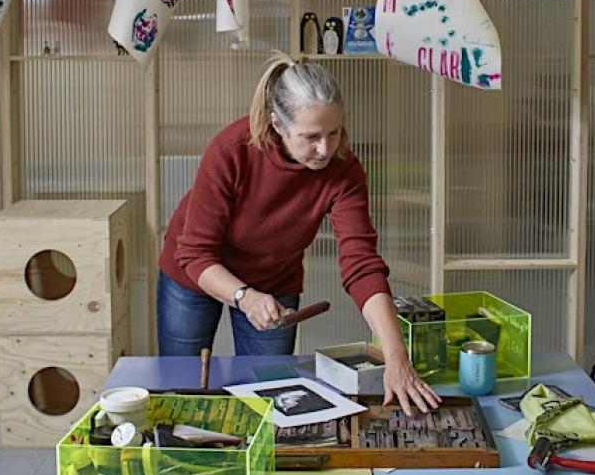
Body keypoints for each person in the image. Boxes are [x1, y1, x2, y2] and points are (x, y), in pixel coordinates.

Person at [158, 51, 441, 415]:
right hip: (195, 273)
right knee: (180, 388)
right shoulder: (232, 151)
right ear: (277, 124)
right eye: (311, 137)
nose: (325, 149)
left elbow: (362, 264)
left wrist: (396, 357)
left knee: (270, 397)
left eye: (334, 133)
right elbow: (195, 253)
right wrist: (244, 296)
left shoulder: (344, 170)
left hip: (274, 279)